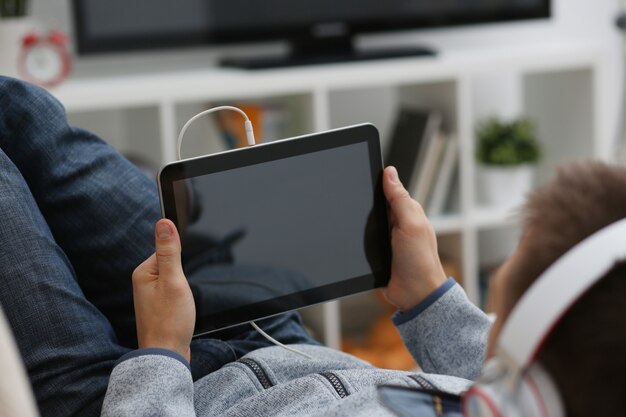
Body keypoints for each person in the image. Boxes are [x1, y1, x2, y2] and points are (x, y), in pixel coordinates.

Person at [2, 76, 626, 416]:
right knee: (21, 110)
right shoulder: (539, 396)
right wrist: (430, 294)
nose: (487, 329)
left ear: (530, 348)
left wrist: (162, 355)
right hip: (278, 339)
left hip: (135, 393)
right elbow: (491, 371)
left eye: (498, 309)